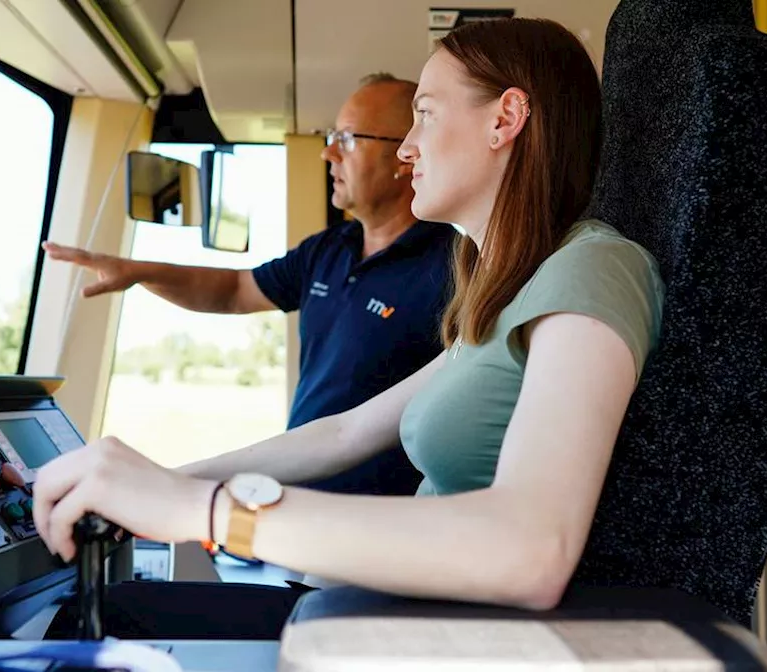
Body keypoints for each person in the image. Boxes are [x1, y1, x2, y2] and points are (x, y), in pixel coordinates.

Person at [33, 16, 664, 637]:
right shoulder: (506, 296)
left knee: (98, 623)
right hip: (391, 615)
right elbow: (345, 433)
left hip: (437, 639)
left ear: (505, 118)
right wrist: (163, 481)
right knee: (101, 614)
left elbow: (531, 552)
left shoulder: (595, 266)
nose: (409, 146)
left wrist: (208, 509)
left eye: (426, 113)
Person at [42, 73, 455, 499]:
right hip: (298, 501)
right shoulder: (328, 249)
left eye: (347, 139)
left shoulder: (454, 265)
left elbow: (358, 433)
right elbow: (234, 290)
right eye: (331, 136)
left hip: (384, 522)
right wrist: (140, 271)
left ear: (406, 156)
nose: (328, 152)